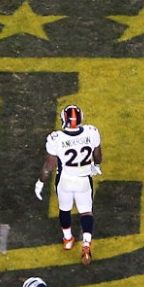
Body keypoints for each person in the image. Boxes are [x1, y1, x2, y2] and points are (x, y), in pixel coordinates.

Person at [35, 104, 102, 265]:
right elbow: (98, 154)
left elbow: (49, 166)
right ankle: (86, 243)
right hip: (84, 179)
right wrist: (96, 165)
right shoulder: (91, 132)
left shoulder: (56, 138)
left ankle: (67, 239)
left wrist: (40, 182)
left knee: (64, 209)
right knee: (86, 212)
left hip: (65, 179)